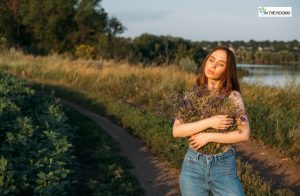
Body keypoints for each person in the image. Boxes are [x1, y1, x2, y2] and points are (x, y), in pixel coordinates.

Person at [173, 46, 251, 196]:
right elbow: (176, 131)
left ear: (228, 70)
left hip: (223, 166)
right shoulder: (193, 96)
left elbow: (244, 134)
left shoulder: (233, 97)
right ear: (205, 62)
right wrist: (209, 122)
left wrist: (208, 136)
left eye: (221, 64)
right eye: (211, 60)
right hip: (193, 166)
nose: (213, 66)